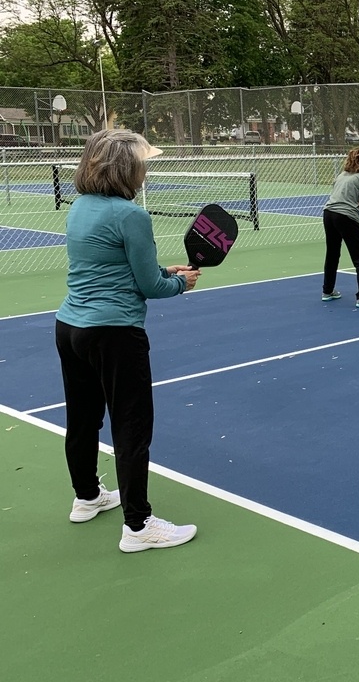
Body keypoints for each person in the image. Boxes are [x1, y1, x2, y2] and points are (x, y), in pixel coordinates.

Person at [56, 129, 201, 552]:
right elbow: (150, 286)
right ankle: (138, 527)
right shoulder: (131, 214)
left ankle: (86, 497)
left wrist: (163, 272)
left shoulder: (80, 206)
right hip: (114, 335)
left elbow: (116, 262)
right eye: (142, 162)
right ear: (126, 168)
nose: (146, 168)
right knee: (132, 428)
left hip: (70, 329)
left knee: (83, 420)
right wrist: (180, 284)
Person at [322, 147, 359, 308]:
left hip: (328, 214)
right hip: (346, 217)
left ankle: (327, 291)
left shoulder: (341, 176)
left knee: (332, 253)